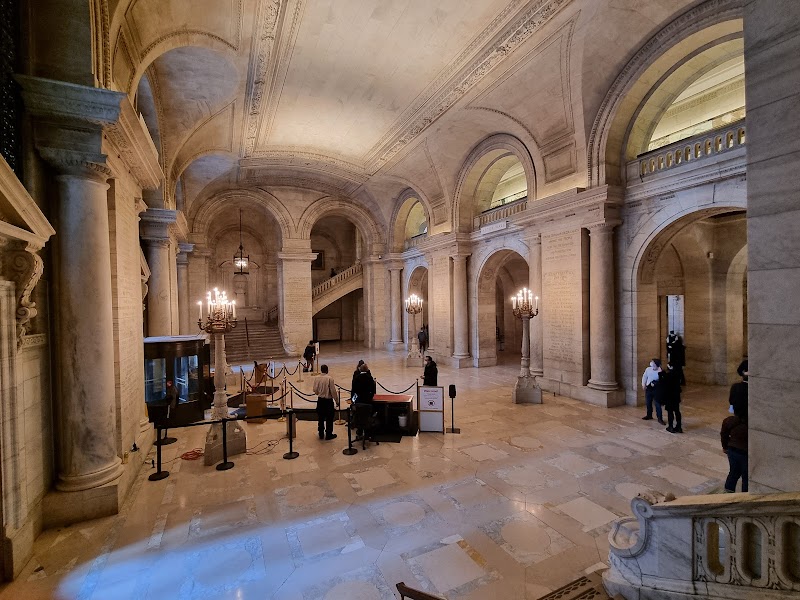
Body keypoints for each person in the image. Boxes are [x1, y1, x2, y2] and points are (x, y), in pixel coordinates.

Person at [721, 395, 748, 492]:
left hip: (732, 450)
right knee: (746, 476)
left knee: (733, 473)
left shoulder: (728, 421)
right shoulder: (750, 423)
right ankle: (745, 498)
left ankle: (727, 494)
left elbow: (724, 435)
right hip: (745, 452)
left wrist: (725, 447)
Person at [312, 364, 338, 440]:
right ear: (327, 370)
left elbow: (315, 390)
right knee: (329, 418)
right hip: (328, 401)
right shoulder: (330, 379)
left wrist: (320, 393)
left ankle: (321, 434)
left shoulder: (317, 378)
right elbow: (333, 391)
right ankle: (329, 434)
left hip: (320, 400)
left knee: (320, 417)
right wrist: (337, 401)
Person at [641, 358, 665, 424]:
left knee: (657, 404)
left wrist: (655, 383)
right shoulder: (648, 369)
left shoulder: (660, 372)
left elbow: (662, 382)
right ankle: (649, 415)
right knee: (648, 402)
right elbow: (644, 376)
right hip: (649, 388)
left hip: (656, 390)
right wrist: (643, 384)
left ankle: (660, 418)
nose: (651, 363)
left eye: (653, 362)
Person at [661, 366, 683, 433]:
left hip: (669, 397)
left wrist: (661, 373)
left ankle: (671, 427)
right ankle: (679, 427)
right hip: (676, 396)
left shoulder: (668, 375)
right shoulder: (678, 374)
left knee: (670, 412)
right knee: (677, 411)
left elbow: (664, 383)